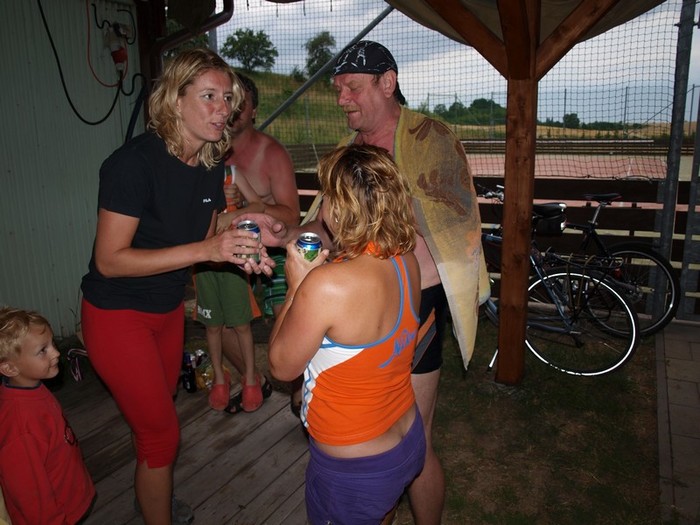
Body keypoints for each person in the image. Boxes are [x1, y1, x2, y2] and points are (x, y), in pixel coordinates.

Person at [244, 41, 490, 525]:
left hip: (416, 301)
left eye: (352, 88)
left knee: (415, 434)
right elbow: (327, 224)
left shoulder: (430, 139)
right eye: (338, 90)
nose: (342, 99)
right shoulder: (349, 152)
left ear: (387, 82)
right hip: (351, 303)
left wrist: (357, 245)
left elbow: (452, 225)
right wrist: (289, 236)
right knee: (372, 426)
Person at [79, 48, 274, 525]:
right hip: (116, 313)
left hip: (166, 309)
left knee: (155, 418)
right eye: (208, 96)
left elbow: (201, 238)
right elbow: (110, 260)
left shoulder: (210, 165)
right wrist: (207, 249)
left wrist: (243, 235)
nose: (223, 109)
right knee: (162, 434)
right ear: (174, 99)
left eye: (227, 99)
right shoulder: (132, 164)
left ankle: (149, 493)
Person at [268, 144, 426, 525]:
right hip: (405, 441)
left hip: (355, 470)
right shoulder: (406, 260)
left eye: (326, 197)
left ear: (339, 209)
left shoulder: (327, 286)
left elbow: (281, 367)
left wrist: (296, 287)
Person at [216, 73, 302, 415]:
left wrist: (252, 209)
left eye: (241, 103)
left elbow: (291, 215)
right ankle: (255, 379)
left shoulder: (272, 153)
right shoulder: (210, 151)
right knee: (218, 322)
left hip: (273, 249)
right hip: (227, 250)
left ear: (253, 110)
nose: (233, 109)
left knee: (289, 321)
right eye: (228, 100)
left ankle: (299, 394)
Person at [0, 307, 96, 525]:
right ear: (10, 368)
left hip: (67, 498)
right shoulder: (20, 428)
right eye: (43, 350)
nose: (56, 353)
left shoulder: (31, 386)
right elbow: (30, 496)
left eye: (52, 343)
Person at [193, 165, 273, 413]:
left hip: (234, 260)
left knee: (241, 324)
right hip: (203, 262)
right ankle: (219, 377)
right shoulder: (188, 174)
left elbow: (258, 205)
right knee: (212, 325)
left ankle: (250, 379)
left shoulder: (230, 173)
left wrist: (231, 216)